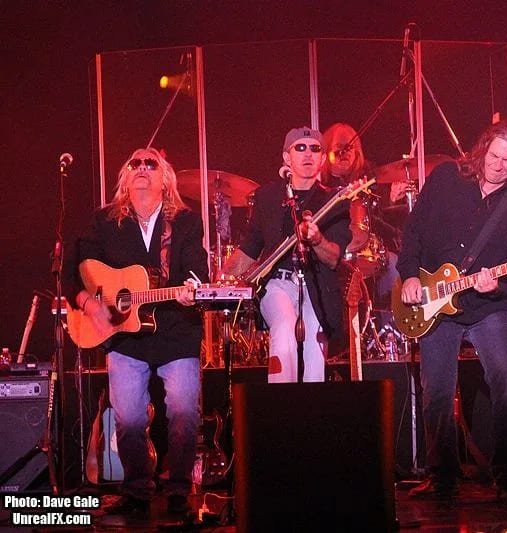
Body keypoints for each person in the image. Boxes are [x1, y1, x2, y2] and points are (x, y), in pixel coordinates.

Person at [397, 120, 507, 505]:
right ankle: (442, 477)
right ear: (483, 148)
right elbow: (414, 230)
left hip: (485, 305)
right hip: (434, 300)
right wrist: (409, 275)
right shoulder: (446, 178)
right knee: (438, 391)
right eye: (494, 156)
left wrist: (498, 286)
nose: (499, 166)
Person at [65, 147, 208, 517]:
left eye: (151, 163)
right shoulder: (103, 222)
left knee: (183, 413)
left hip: (176, 330)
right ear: (125, 178)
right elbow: (73, 271)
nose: (142, 167)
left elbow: (198, 271)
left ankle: (179, 489)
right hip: (124, 334)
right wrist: (89, 303)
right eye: (135, 163)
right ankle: (137, 488)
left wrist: (191, 291)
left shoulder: (186, 222)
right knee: (128, 418)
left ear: (165, 178)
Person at [220, 127, 351, 382]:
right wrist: (222, 278)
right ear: (286, 157)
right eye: (300, 148)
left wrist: (317, 240)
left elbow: (333, 257)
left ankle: (312, 405)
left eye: (315, 149)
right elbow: (250, 247)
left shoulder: (334, 199)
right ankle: (280, 403)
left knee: (314, 347)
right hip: (277, 283)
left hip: (316, 285)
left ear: (322, 159)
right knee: (284, 329)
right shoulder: (267, 197)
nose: (308, 153)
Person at [321, 122, 401, 308]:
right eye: (339, 147)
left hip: (364, 250)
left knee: (394, 263)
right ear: (326, 152)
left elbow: (380, 219)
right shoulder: (320, 185)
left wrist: (390, 198)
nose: (345, 153)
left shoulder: (368, 178)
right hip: (330, 248)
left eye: (350, 148)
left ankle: (390, 319)